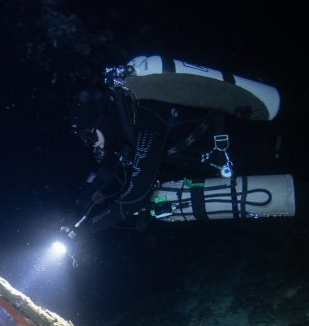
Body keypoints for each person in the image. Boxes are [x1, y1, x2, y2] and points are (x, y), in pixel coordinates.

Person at [61, 56, 296, 244]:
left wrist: (85, 231)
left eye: (88, 135)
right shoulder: (127, 132)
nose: (90, 144)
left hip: (254, 141)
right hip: (237, 158)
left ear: (102, 121)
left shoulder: (147, 114)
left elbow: (137, 195)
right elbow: (102, 176)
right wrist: (74, 215)